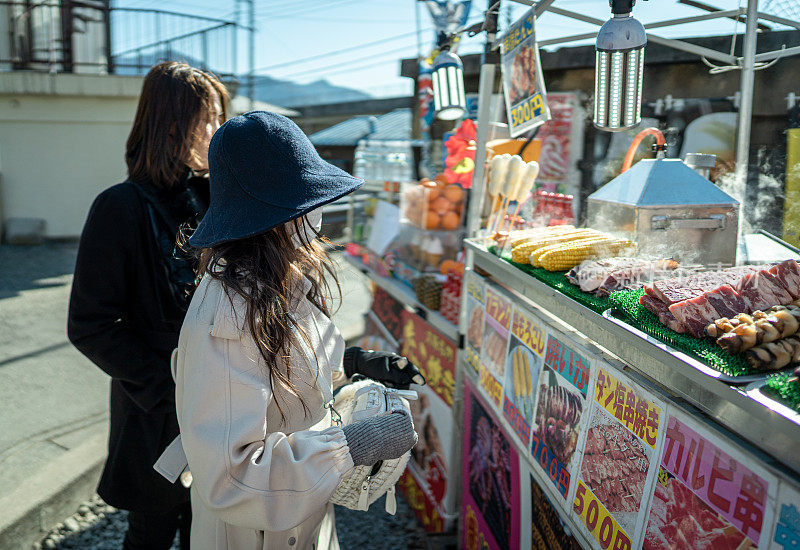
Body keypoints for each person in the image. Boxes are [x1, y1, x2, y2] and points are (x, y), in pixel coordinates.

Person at [165, 111, 425, 549]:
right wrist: (353, 445)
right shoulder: (228, 315)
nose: (318, 215)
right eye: (307, 203)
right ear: (272, 217)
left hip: (298, 520)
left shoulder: (278, 279)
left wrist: (352, 365)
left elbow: (284, 380)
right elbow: (232, 478)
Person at [67, 61, 229, 549]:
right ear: (173, 124)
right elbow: (90, 323)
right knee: (152, 532)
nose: (218, 132)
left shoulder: (212, 195)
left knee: (213, 530)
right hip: (156, 409)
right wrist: (167, 391)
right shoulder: (121, 206)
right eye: (211, 119)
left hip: (222, 406)